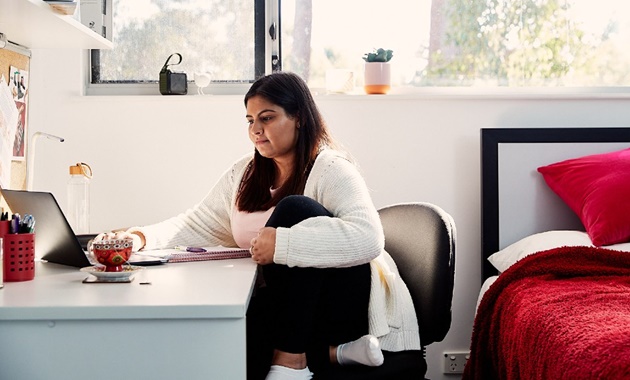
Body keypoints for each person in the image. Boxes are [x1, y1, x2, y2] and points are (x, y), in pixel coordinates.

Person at [94, 72, 420, 380]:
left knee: (296, 209)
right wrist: (138, 237)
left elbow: (368, 238)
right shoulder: (246, 173)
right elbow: (198, 222)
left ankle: (292, 360)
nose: (255, 130)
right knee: (223, 344)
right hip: (284, 308)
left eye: (267, 118)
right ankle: (328, 353)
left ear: (300, 118)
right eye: (250, 121)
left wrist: (283, 243)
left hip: (344, 302)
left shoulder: (331, 168)